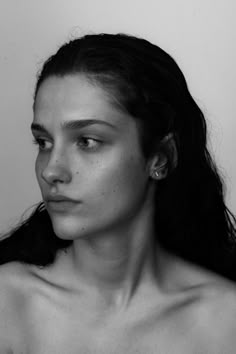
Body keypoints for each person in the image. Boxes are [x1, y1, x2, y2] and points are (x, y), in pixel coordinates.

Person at [0, 33, 236, 353]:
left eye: (87, 141)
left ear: (161, 157)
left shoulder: (225, 321)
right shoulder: (8, 304)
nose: (51, 171)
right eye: (43, 142)